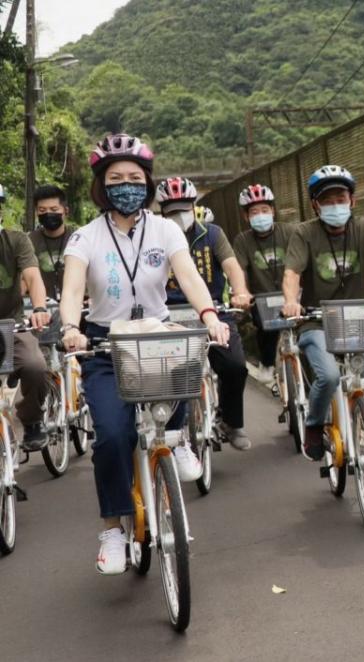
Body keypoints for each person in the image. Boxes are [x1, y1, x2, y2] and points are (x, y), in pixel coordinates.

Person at [59, 134, 230, 575]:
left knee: (188, 362)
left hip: (155, 334)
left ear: (148, 183)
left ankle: (178, 440)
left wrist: (209, 314)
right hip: (104, 342)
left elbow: (189, 277)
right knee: (113, 436)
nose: (126, 185)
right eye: (116, 178)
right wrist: (71, 329)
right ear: (101, 186)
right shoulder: (85, 237)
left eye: (135, 178)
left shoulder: (166, 229)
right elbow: (73, 289)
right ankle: (113, 529)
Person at [281, 165, 364, 458]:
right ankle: (313, 427)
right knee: (328, 376)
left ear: (352, 200)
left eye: (340, 198)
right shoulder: (304, 233)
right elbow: (291, 274)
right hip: (315, 320)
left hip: (355, 318)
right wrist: (291, 301)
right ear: (315, 204)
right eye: (327, 200)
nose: (335, 205)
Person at [157, 176, 253, 451]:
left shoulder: (212, 234)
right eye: (172, 210)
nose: (179, 215)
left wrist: (240, 291)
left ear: (194, 206)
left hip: (214, 312)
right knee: (165, 375)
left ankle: (231, 421)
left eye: (184, 207)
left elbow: (232, 266)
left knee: (234, 366)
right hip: (170, 315)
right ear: (162, 212)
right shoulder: (155, 239)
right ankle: (170, 429)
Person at [0, 182, 52, 453]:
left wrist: (40, 308)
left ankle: (31, 421)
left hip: (11, 325)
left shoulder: (15, 240)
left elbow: (32, 275)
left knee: (35, 366)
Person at [231, 184, 294, 383]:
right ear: (246, 216)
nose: (261, 215)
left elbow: (301, 260)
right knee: (265, 327)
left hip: (292, 294)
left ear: (273, 211)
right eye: (254, 212)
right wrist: (242, 292)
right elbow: (239, 269)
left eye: (265, 210)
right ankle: (267, 363)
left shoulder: (289, 231)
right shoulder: (243, 240)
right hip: (263, 298)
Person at [29, 184, 75, 301]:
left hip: (77, 303)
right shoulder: (29, 241)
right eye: (42, 210)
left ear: (65, 211)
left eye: (54, 209)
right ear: (36, 213)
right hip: (43, 308)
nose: (48, 214)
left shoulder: (79, 238)